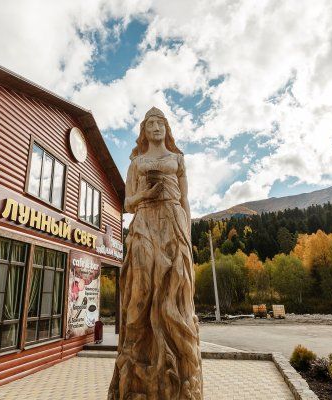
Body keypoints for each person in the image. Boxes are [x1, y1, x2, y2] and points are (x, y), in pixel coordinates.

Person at [108, 107, 203, 400]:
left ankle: (180, 372)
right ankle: (136, 362)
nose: (156, 127)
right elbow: (127, 203)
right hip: (145, 223)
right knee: (141, 289)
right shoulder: (136, 162)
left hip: (173, 223)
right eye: (150, 124)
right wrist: (144, 195)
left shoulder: (178, 159)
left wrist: (187, 235)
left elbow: (185, 199)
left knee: (175, 291)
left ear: (166, 128)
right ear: (144, 131)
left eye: (160, 123)